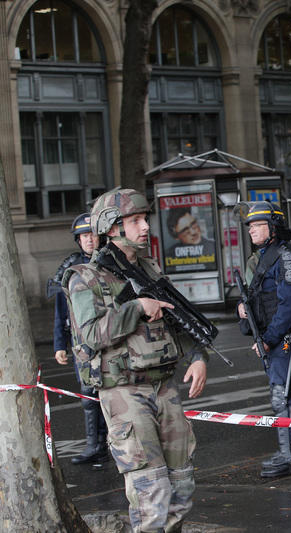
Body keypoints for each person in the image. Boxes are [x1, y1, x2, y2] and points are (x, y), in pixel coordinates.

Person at [62, 188, 208, 532]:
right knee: (151, 490)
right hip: (123, 392)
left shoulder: (148, 269)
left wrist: (197, 357)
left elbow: (178, 318)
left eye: (145, 219)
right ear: (112, 227)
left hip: (163, 387)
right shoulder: (86, 278)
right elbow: (91, 336)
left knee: (182, 486)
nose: (145, 227)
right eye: (135, 221)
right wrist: (138, 308)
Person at [236, 201, 291, 478]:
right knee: (280, 393)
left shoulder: (287, 256)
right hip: (272, 336)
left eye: (257, 225)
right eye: (250, 226)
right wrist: (241, 310)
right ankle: (288, 450)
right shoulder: (266, 255)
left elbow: (290, 304)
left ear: (273, 227)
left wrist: (269, 338)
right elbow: (258, 298)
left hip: (284, 336)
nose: (251, 231)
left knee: (284, 394)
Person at [49, 212, 108, 465]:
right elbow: (61, 312)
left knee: (111, 394)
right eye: (84, 236)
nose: (89, 240)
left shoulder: (109, 264)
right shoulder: (71, 270)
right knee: (87, 396)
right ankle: (94, 445)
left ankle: (113, 444)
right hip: (81, 343)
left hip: (107, 339)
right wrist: (59, 345)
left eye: (92, 234)